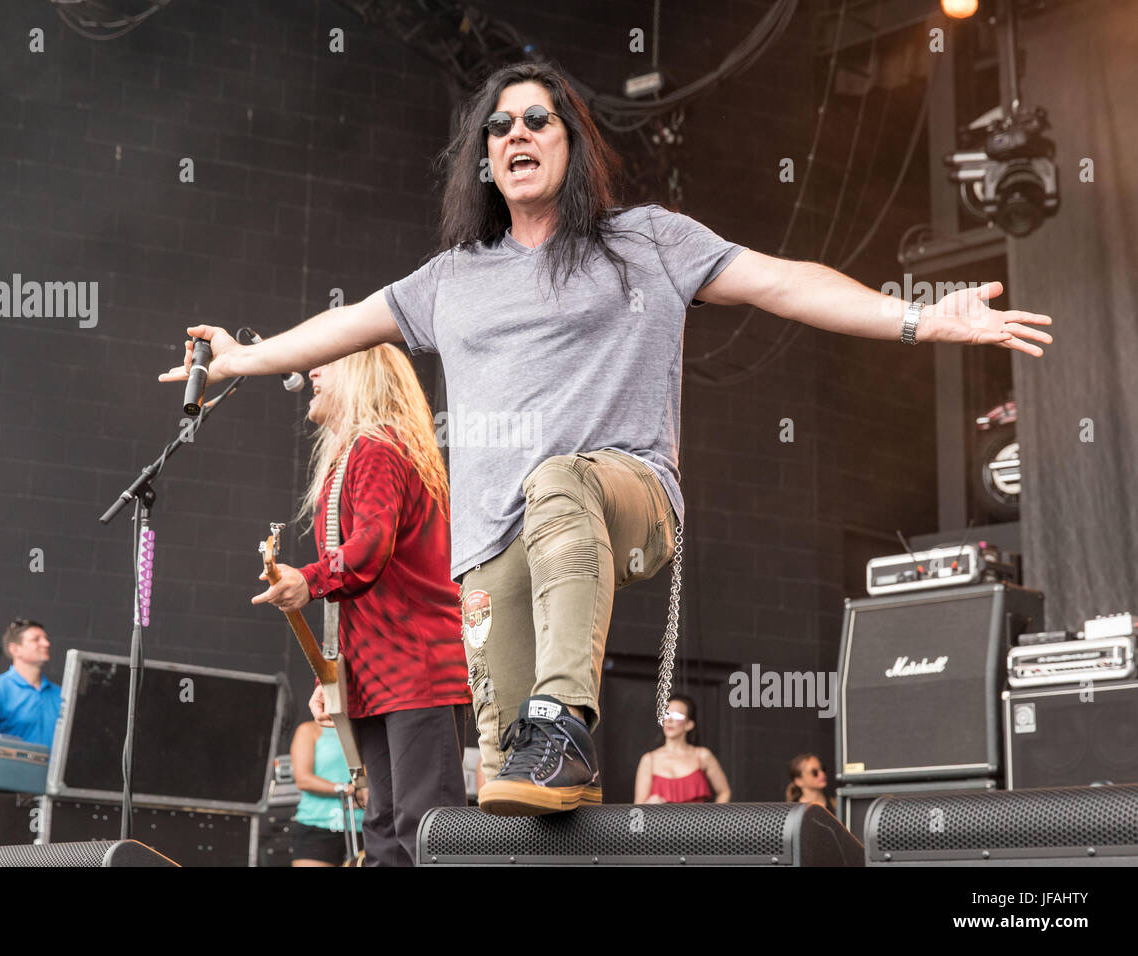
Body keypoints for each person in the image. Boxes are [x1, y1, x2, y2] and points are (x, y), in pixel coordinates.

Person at [160, 61, 1053, 817]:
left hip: (623, 497)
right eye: (499, 125)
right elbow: (347, 324)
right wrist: (243, 358)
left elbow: (784, 282)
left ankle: (565, 714)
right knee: (523, 797)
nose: (517, 134)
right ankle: (550, 743)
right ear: (483, 159)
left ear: (570, 141)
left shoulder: (647, 242)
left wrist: (920, 318)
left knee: (559, 487)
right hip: (491, 553)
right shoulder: (450, 281)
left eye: (537, 120)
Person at [251, 344, 471, 866]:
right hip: (377, 672)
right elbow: (357, 591)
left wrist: (308, 578)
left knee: (424, 830)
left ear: (361, 374)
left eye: (327, 362)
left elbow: (368, 550)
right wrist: (332, 678)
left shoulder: (379, 449)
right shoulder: (353, 458)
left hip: (416, 670)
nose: (312, 371)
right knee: (386, 827)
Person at [288, 719, 367, 867]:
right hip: (318, 825)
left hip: (364, 828)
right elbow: (303, 779)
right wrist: (348, 790)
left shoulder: (367, 729)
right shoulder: (309, 729)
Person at [634, 694, 730, 804]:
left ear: (689, 724)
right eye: (666, 714)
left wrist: (714, 819)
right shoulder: (649, 760)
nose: (669, 720)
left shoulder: (702, 755)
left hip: (697, 820)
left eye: (677, 716)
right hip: (661, 821)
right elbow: (638, 806)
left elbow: (724, 792)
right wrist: (649, 805)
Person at [0, 618, 61, 748]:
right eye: (36, 639)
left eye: (46, 639)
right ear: (15, 649)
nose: (46, 643)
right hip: (12, 768)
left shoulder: (61, 694)